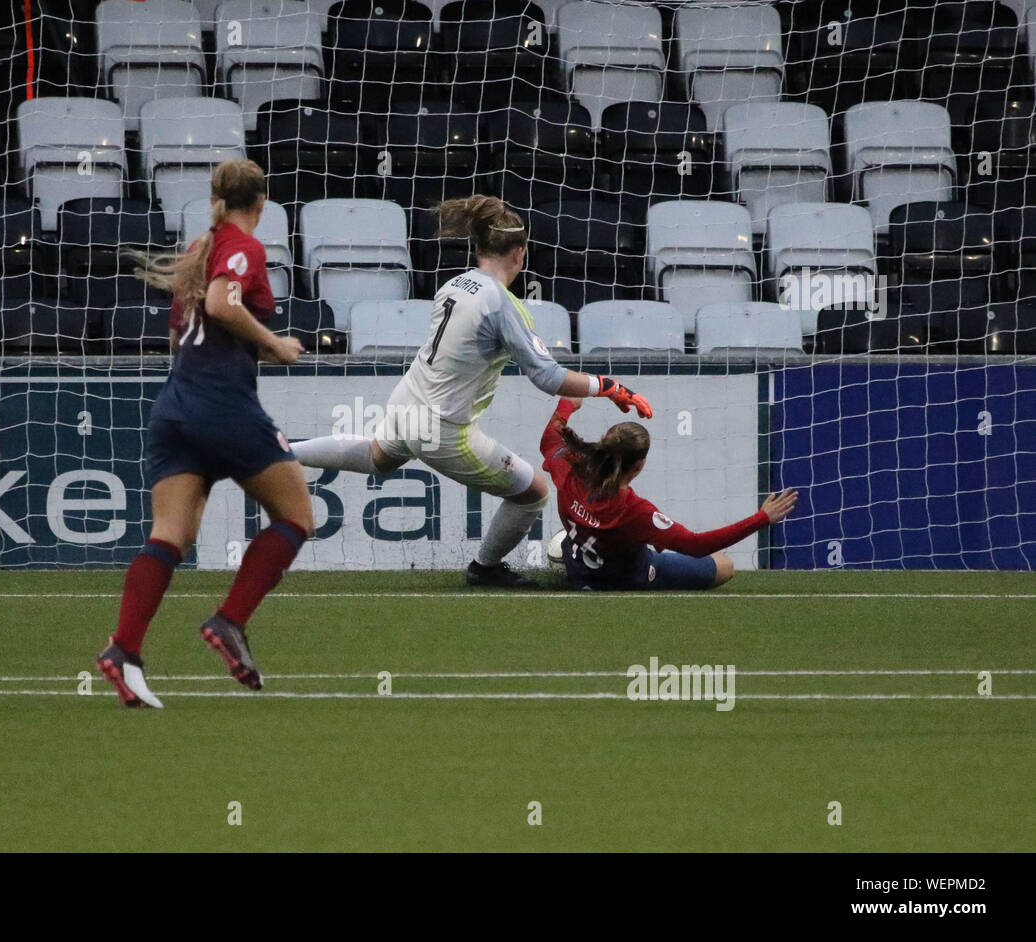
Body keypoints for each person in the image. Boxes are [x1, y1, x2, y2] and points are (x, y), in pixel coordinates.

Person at [291, 195, 652, 588]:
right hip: (444, 428)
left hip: (406, 402)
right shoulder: (502, 305)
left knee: (378, 456)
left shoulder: (454, 284)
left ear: (478, 248)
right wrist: (611, 387)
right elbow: (548, 378)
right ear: (520, 253)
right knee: (532, 492)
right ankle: (486, 568)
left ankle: (283, 452)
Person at [96, 158, 312, 706]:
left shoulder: (198, 249)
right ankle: (230, 621)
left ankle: (124, 649)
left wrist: (243, 344)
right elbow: (222, 302)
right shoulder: (243, 245)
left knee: (171, 535)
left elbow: (183, 329)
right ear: (261, 206)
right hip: (222, 404)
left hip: (176, 403)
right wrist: (275, 343)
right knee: (296, 517)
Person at [541, 397, 799, 590]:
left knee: (576, 542)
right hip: (629, 579)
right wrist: (762, 518)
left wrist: (567, 402)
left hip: (580, 570)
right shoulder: (635, 511)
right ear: (639, 466)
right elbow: (697, 546)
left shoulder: (571, 468)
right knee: (725, 566)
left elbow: (550, 440)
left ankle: (571, 564)